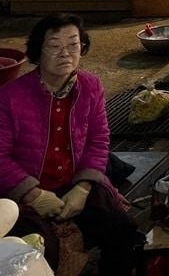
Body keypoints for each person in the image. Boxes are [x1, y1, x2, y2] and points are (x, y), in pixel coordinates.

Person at [0, 15, 140, 275]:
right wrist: (33, 194)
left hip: (73, 182)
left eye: (73, 45)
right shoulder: (10, 97)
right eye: (54, 46)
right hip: (26, 192)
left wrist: (84, 187)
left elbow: (98, 141)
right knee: (42, 251)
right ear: (37, 52)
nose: (65, 53)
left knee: (121, 229)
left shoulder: (90, 86)